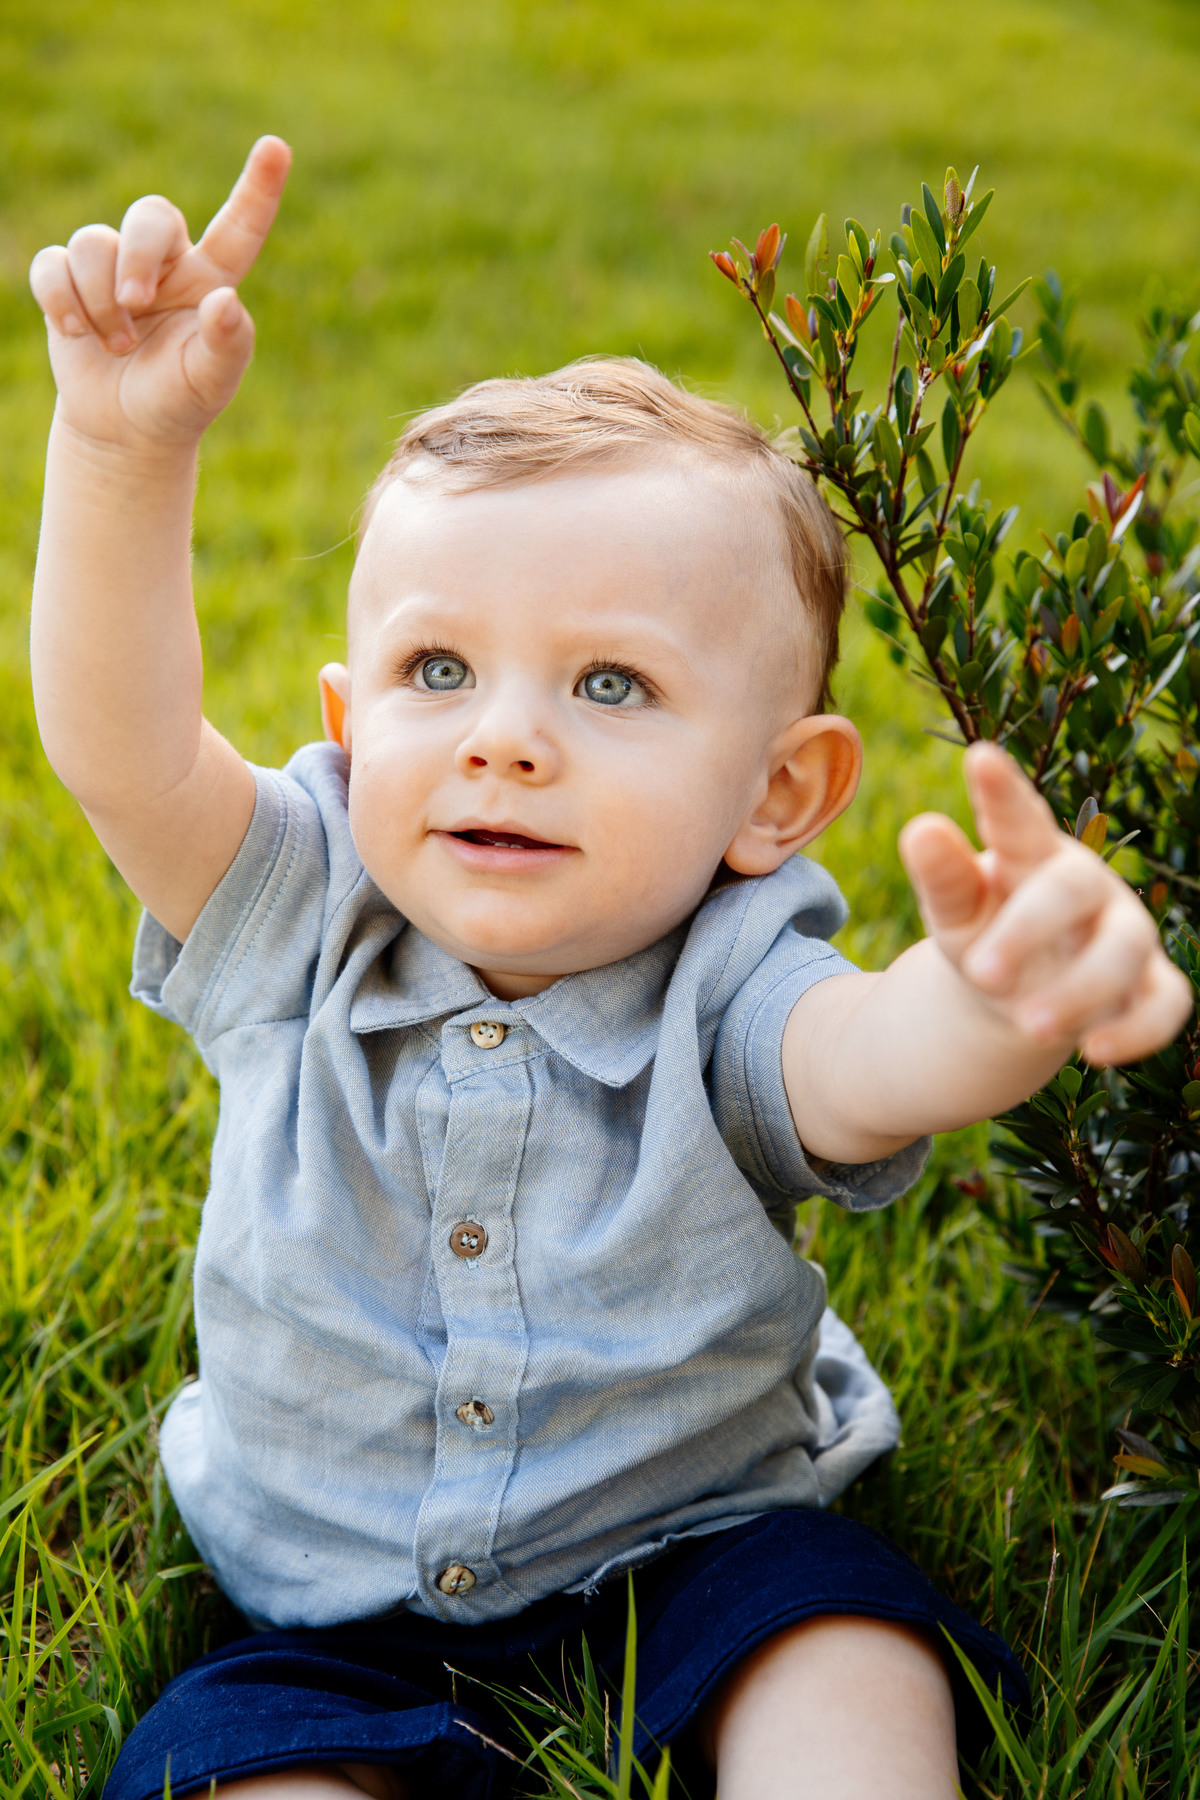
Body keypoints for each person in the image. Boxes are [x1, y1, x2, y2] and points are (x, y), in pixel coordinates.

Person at [28, 137, 1190, 1800]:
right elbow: (119, 747)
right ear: (354, 733)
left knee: (850, 1658)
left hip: (705, 1544)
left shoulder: (731, 974)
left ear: (777, 794)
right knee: (257, 1772)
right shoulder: (304, 903)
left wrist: (997, 1000)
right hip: (320, 1592)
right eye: (440, 668)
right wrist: (119, 450)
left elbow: (864, 1063)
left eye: (613, 689)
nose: (504, 742)